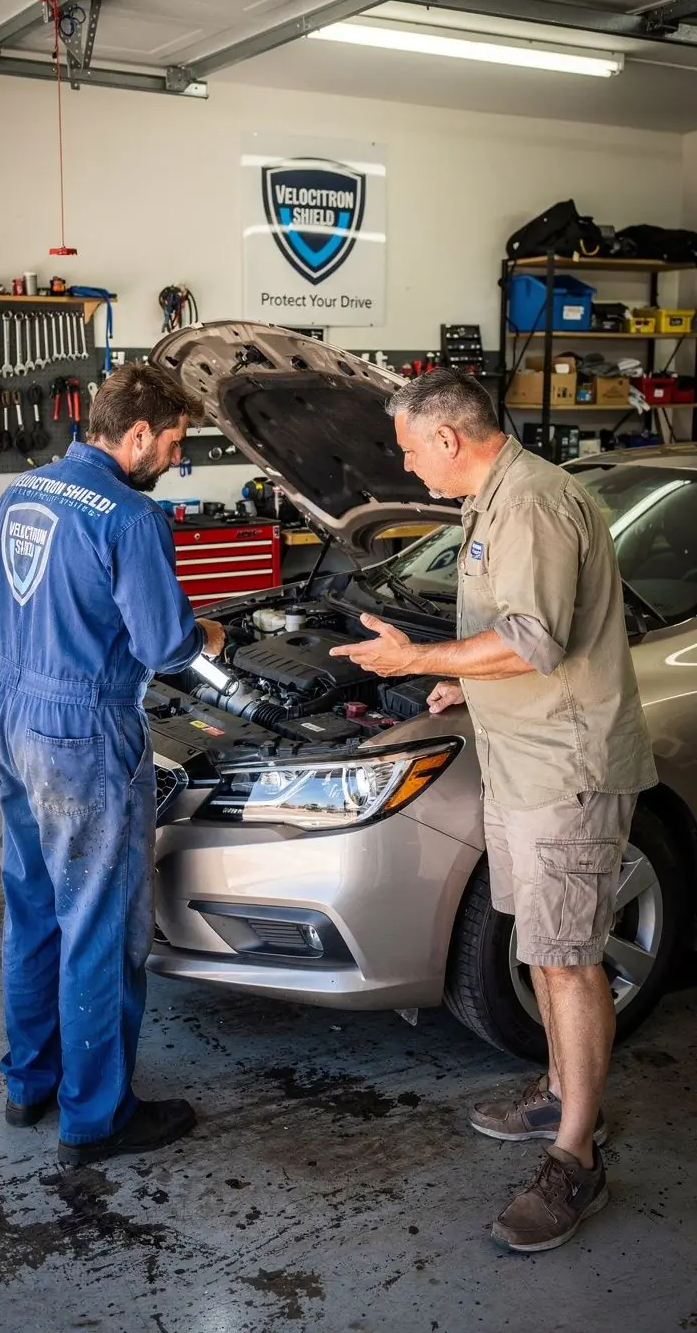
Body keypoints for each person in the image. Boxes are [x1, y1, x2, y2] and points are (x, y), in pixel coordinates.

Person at [331, 368, 656, 1253]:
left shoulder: (536, 505)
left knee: (569, 958)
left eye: (406, 448)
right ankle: (558, 1090)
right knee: (543, 951)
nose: (404, 465)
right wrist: (453, 682)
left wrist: (412, 660)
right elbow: (512, 636)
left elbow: (533, 639)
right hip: (521, 762)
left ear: (447, 437)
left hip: (566, 771)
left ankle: (576, 1157)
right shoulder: (489, 505)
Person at [0, 362, 225, 1167]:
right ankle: (96, 1118)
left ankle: (30, 1083)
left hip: (12, 710)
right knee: (98, 923)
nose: (175, 457)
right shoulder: (129, 517)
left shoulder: (22, 491)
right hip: (82, 731)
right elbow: (166, 645)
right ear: (137, 435)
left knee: (33, 906)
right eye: (174, 441)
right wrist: (210, 639)